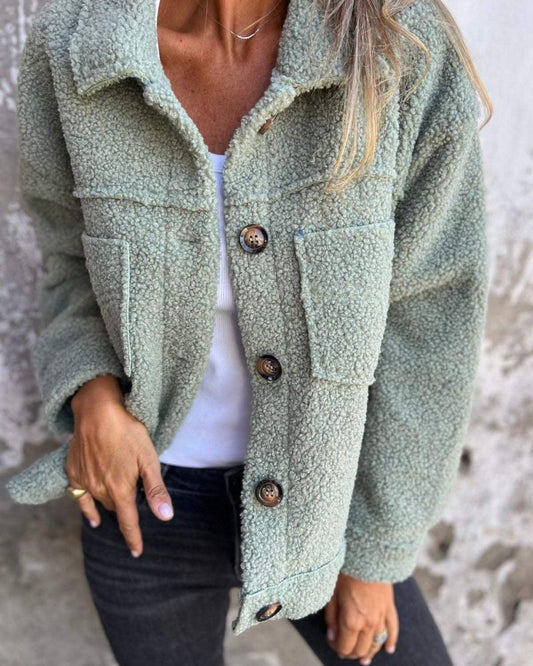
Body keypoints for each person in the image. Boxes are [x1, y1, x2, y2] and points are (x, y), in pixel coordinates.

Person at [7, 0, 492, 663]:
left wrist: (375, 554)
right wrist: (92, 398)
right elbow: (67, 262)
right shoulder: (76, 42)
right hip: (143, 509)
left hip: (326, 509)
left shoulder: (396, 47)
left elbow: (430, 324)